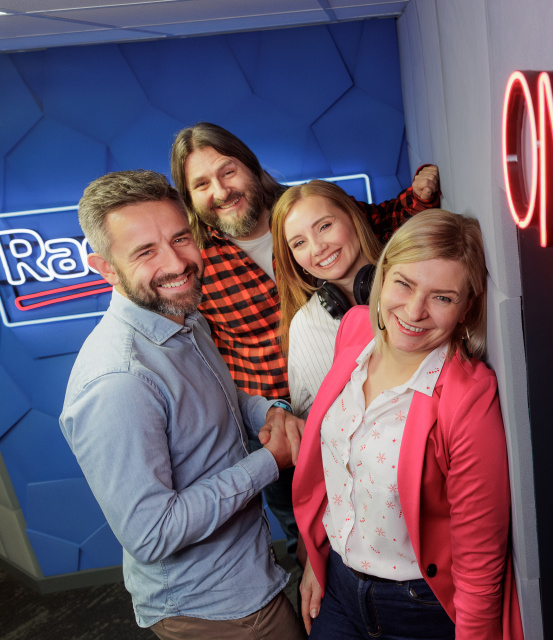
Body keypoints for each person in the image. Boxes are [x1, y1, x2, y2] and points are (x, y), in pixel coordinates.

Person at [170, 122, 440, 551]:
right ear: (189, 198)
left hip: (359, 412)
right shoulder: (190, 261)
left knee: (398, 526)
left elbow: (377, 222)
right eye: (201, 184)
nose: (220, 191)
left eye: (227, 172)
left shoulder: (305, 210)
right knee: (311, 541)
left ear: (251, 167)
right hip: (277, 434)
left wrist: (419, 195)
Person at [60, 170, 306, 639]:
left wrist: (268, 410)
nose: (176, 263)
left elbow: (220, 400)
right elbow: (152, 533)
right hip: (217, 612)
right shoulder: (117, 382)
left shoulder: (182, 314)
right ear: (106, 268)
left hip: (251, 577)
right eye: (145, 251)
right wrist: (270, 462)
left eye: (180, 238)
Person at [289, 210, 524, 639]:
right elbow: (337, 474)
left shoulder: (467, 395)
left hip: (416, 609)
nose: (415, 311)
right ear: (381, 279)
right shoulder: (355, 328)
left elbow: (478, 555)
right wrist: (315, 559)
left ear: (466, 307)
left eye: (443, 297)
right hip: (338, 589)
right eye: (404, 283)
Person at [271, 179, 386, 418]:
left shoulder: (412, 283)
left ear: (353, 218)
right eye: (299, 243)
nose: (317, 248)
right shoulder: (307, 327)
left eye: (324, 226)